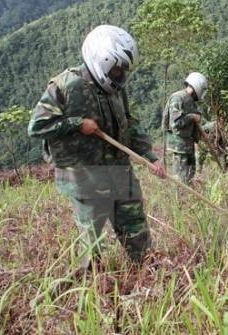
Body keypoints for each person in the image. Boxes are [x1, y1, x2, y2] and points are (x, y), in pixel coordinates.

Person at [28, 25, 166, 271]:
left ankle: (148, 276)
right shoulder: (65, 87)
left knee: (137, 232)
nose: (121, 76)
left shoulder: (116, 90)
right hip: (86, 178)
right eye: (116, 69)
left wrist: (151, 156)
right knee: (92, 246)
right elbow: (37, 127)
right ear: (101, 59)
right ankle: (92, 292)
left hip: (120, 173)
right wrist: (77, 124)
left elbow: (130, 124)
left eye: (124, 71)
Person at [162, 72, 208, 184]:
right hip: (179, 145)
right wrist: (192, 117)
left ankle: (188, 199)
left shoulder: (190, 100)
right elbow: (175, 123)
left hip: (188, 143)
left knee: (190, 175)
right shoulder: (178, 98)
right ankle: (179, 200)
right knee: (181, 178)